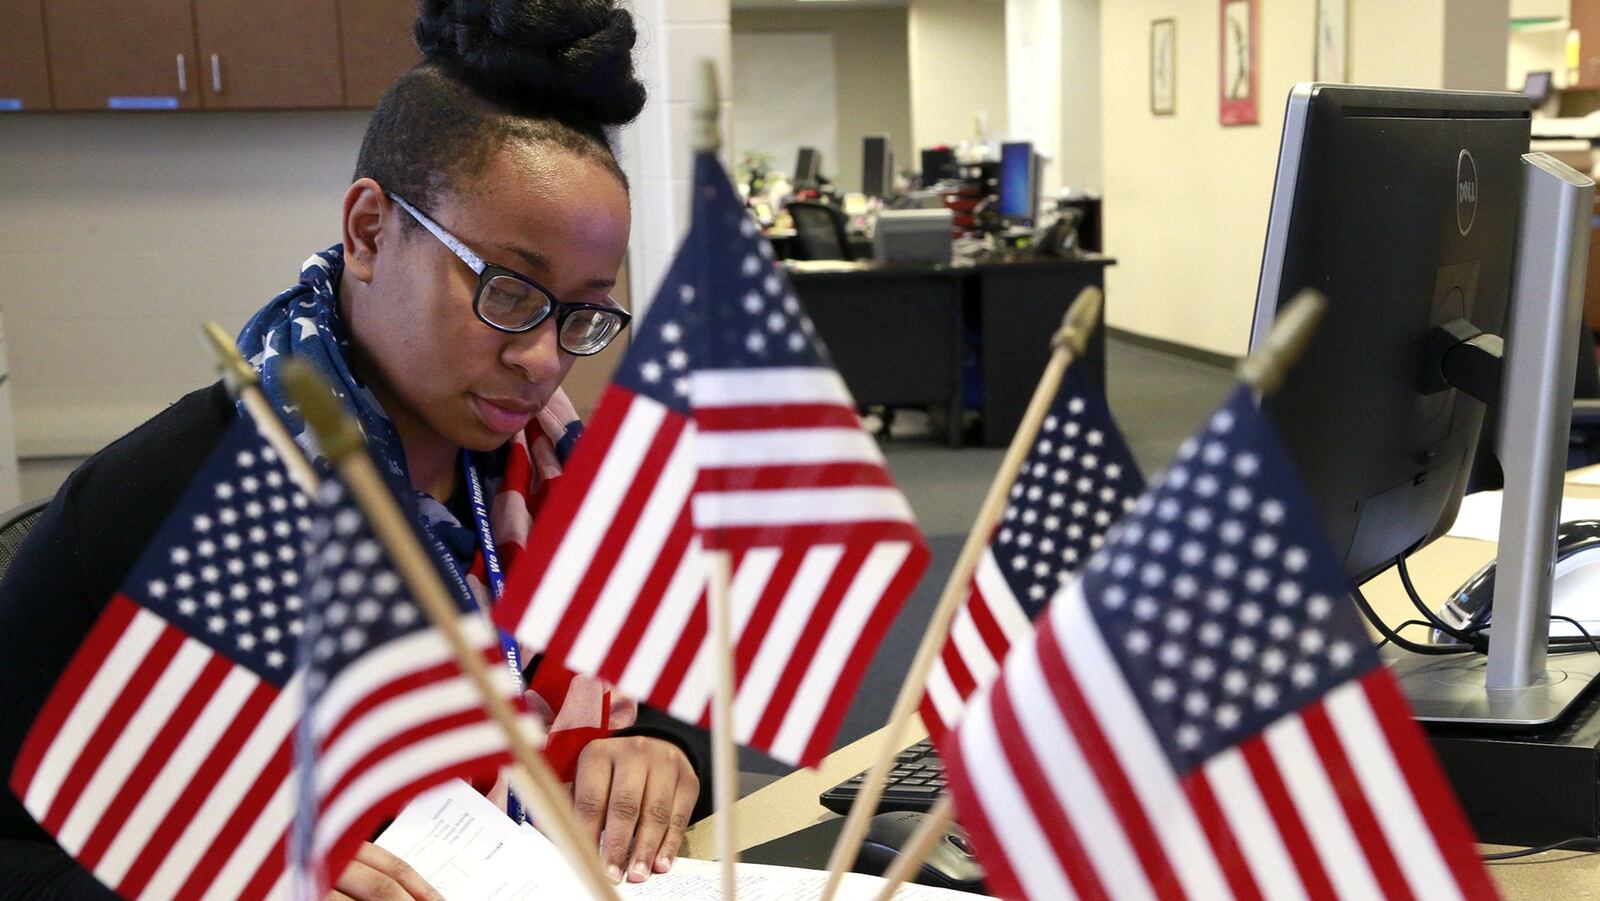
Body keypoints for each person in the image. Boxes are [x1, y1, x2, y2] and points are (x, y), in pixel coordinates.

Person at [0, 0, 710, 897]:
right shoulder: (159, 499)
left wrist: (663, 747)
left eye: (583, 312)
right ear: (370, 231)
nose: (542, 358)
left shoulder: (562, 472)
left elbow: (665, 684)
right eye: (507, 289)